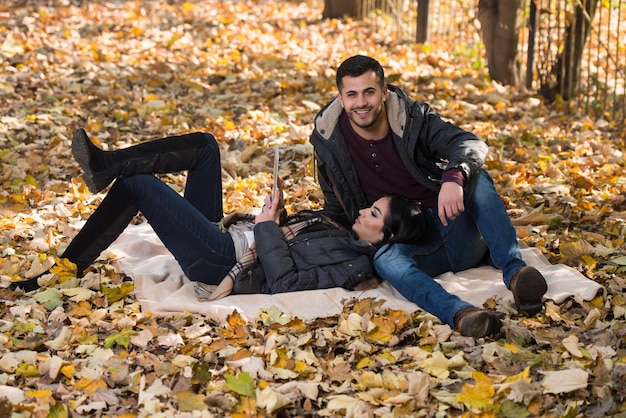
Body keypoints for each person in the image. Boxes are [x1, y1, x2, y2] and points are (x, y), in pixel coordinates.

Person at [9, 129, 431, 305]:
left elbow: (284, 282)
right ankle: (106, 163)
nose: (362, 210)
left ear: (386, 236)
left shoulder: (354, 262)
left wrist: (267, 229)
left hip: (222, 260)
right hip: (230, 236)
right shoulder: (342, 230)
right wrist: (276, 217)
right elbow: (287, 242)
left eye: (373, 213)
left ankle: (65, 268)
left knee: (140, 186)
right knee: (207, 146)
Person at [309, 55, 547, 338]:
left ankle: (516, 274)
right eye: (352, 94)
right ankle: (461, 314)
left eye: (369, 92)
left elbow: (469, 143)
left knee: (476, 178)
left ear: (384, 93)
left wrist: (453, 177)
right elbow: (336, 207)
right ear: (341, 98)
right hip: (404, 243)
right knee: (384, 260)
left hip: (453, 224)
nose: (361, 103)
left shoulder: (413, 119)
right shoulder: (328, 139)